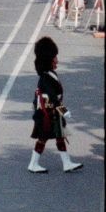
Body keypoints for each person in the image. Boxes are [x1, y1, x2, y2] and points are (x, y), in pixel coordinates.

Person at [29, 36, 82, 173]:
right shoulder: (46, 77)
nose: (57, 60)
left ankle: (66, 163)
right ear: (49, 60)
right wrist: (64, 111)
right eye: (55, 57)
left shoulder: (49, 74)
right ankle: (34, 164)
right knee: (43, 138)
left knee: (59, 137)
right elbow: (53, 98)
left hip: (51, 113)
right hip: (48, 114)